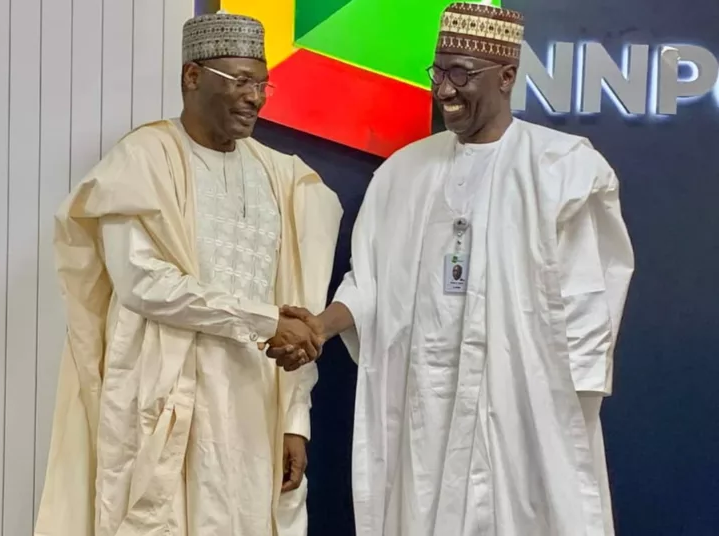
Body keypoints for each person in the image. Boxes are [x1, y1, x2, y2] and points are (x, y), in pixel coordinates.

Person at [266, 2, 635, 535]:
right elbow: (369, 284)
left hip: (522, 408)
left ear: (507, 76)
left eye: (461, 73)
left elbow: (586, 305)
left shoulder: (564, 170)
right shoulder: (403, 173)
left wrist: (557, 413)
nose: (443, 90)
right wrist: (320, 327)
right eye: (437, 72)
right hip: (425, 407)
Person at [34, 10, 342, 536]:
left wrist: (296, 423)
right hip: (162, 402)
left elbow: (298, 309)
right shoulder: (142, 160)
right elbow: (141, 284)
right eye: (240, 80)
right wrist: (264, 320)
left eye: (262, 82)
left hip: (252, 412)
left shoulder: (284, 178)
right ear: (191, 77)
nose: (256, 97)